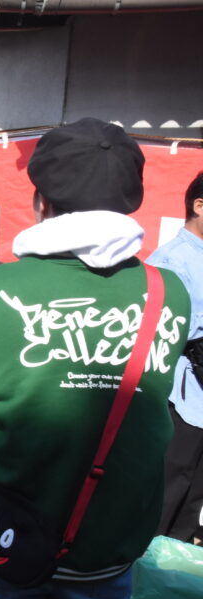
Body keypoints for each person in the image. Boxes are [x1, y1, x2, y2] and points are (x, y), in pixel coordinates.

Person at [0, 118, 190, 599]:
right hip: (109, 537)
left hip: (5, 529)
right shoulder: (167, 293)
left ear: (39, 200)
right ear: (130, 202)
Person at [147, 171, 203, 543]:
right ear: (199, 206)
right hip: (178, 400)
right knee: (165, 499)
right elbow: (159, 336)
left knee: (193, 501)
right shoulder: (169, 261)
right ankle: (139, 591)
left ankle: (168, 591)